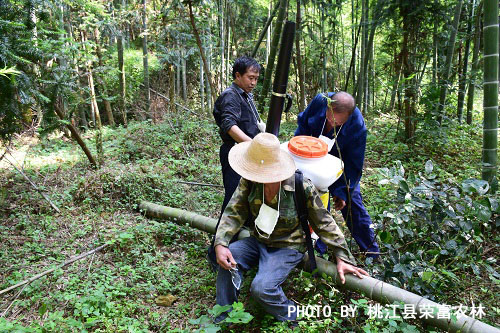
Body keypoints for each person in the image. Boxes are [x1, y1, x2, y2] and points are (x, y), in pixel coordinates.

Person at [214, 133, 368, 322]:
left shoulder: (300, 186)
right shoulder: (250, 181)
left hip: (288, 246)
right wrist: (220, 243)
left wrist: (342, 256)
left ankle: (294, 315)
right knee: (227, 259)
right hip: (258, 239)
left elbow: (324, 222)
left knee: (262, 288)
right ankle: (224, 314)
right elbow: (234, 211)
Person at [295, 92, 380, 259]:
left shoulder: (357, 126)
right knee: (314, 202)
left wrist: (342, 191)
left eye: (337, 122)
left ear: (347, 118)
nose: (331, 122)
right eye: (329, 117)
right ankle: (318, 248)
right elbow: (302, 126)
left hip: (339, 165)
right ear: (328, 107)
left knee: (352, 204)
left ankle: (371, 252)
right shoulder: (320, 101)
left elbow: (354, 164)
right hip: (312, 159)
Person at [213, 56, 264, 218]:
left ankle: (236, 240)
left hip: (247, 153)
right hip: (235, 153)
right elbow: (229, 125)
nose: (254, 83)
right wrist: (254, 144)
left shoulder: (245, 95)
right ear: (237, 76)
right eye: (250, 78)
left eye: (256, 79)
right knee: (234, 200)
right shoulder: (231, 95)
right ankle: (220, 242)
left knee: (246, 198)